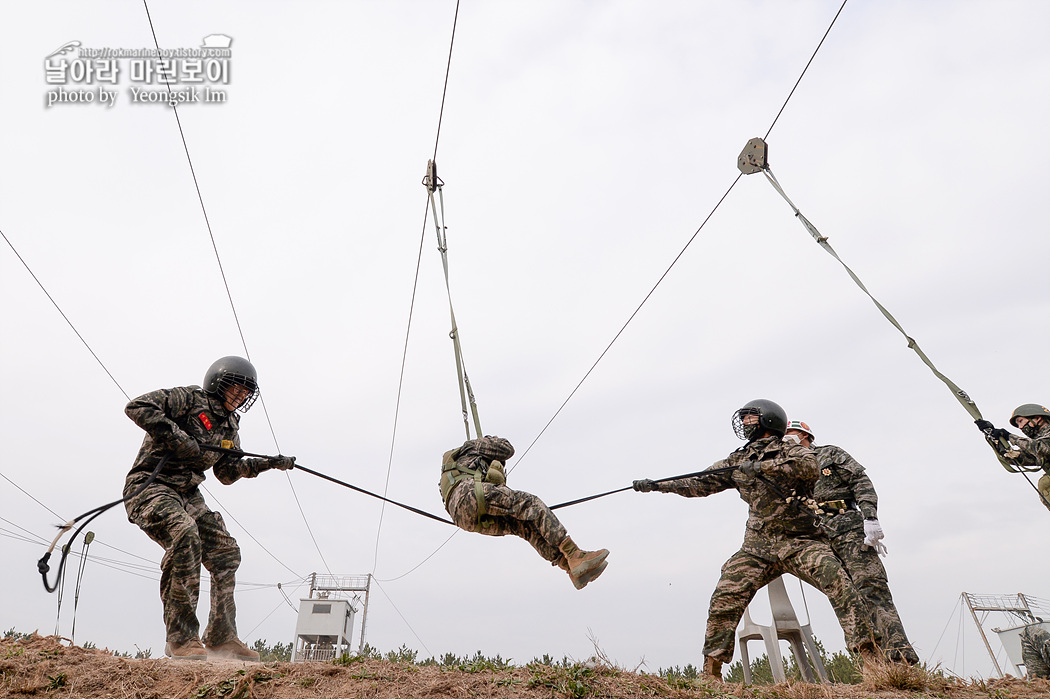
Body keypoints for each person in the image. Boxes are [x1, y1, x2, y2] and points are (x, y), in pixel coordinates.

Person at [632, 399, 876, 679]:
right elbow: (701, 482)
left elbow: (808, 468)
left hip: (801, 541)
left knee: (840, 584)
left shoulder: (791, 448)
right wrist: (656, 486)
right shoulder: (738, 458)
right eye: (744, 418)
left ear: (769, 421)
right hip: (758, 547)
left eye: (750, 417)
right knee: (725, 595)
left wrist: (762, 468)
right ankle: (711, 670)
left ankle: (870, 660)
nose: (745, 422)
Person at [123, 356, 295, 661]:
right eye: (236, 390)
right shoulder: (188, 399)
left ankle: (220, 636)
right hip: (150, 487)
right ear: (219, 384)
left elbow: (226, 473)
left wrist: (268, 464)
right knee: (185, 534)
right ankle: (180, 638)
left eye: (245, 394)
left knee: (226, 551)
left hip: (188, 494)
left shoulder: (230, 427)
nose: (240, 397)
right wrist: (179, 439)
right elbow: (137, 406)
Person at [784, 420, 919, 665]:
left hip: (847, 526)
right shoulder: (787, 467)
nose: (784, 438)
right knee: (845, 595)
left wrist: (870, 516)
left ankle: (900, 658)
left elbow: (860, 481)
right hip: (815, 534)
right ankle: (871, 663)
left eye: (789, 433)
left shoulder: (829, 453)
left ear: (804, 435)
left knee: (871, 588)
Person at [439, 435, 609, 590]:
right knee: (530, 504)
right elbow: (507, 449)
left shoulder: (455, 466)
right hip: (469, 495)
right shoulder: (471, 446)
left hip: (463, 518)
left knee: (523, 526)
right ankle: (573, 553)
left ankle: (569, 566)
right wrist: (490, 440)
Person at [976, 404, 1050, 511]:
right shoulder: (1037, 442)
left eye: (1021, 421)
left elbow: (1041, 448)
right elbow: (1020, 459)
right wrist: (994, 438)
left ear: (1037, 418)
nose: (1020, 427)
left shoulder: (1043, 441)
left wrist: (1009, 436)